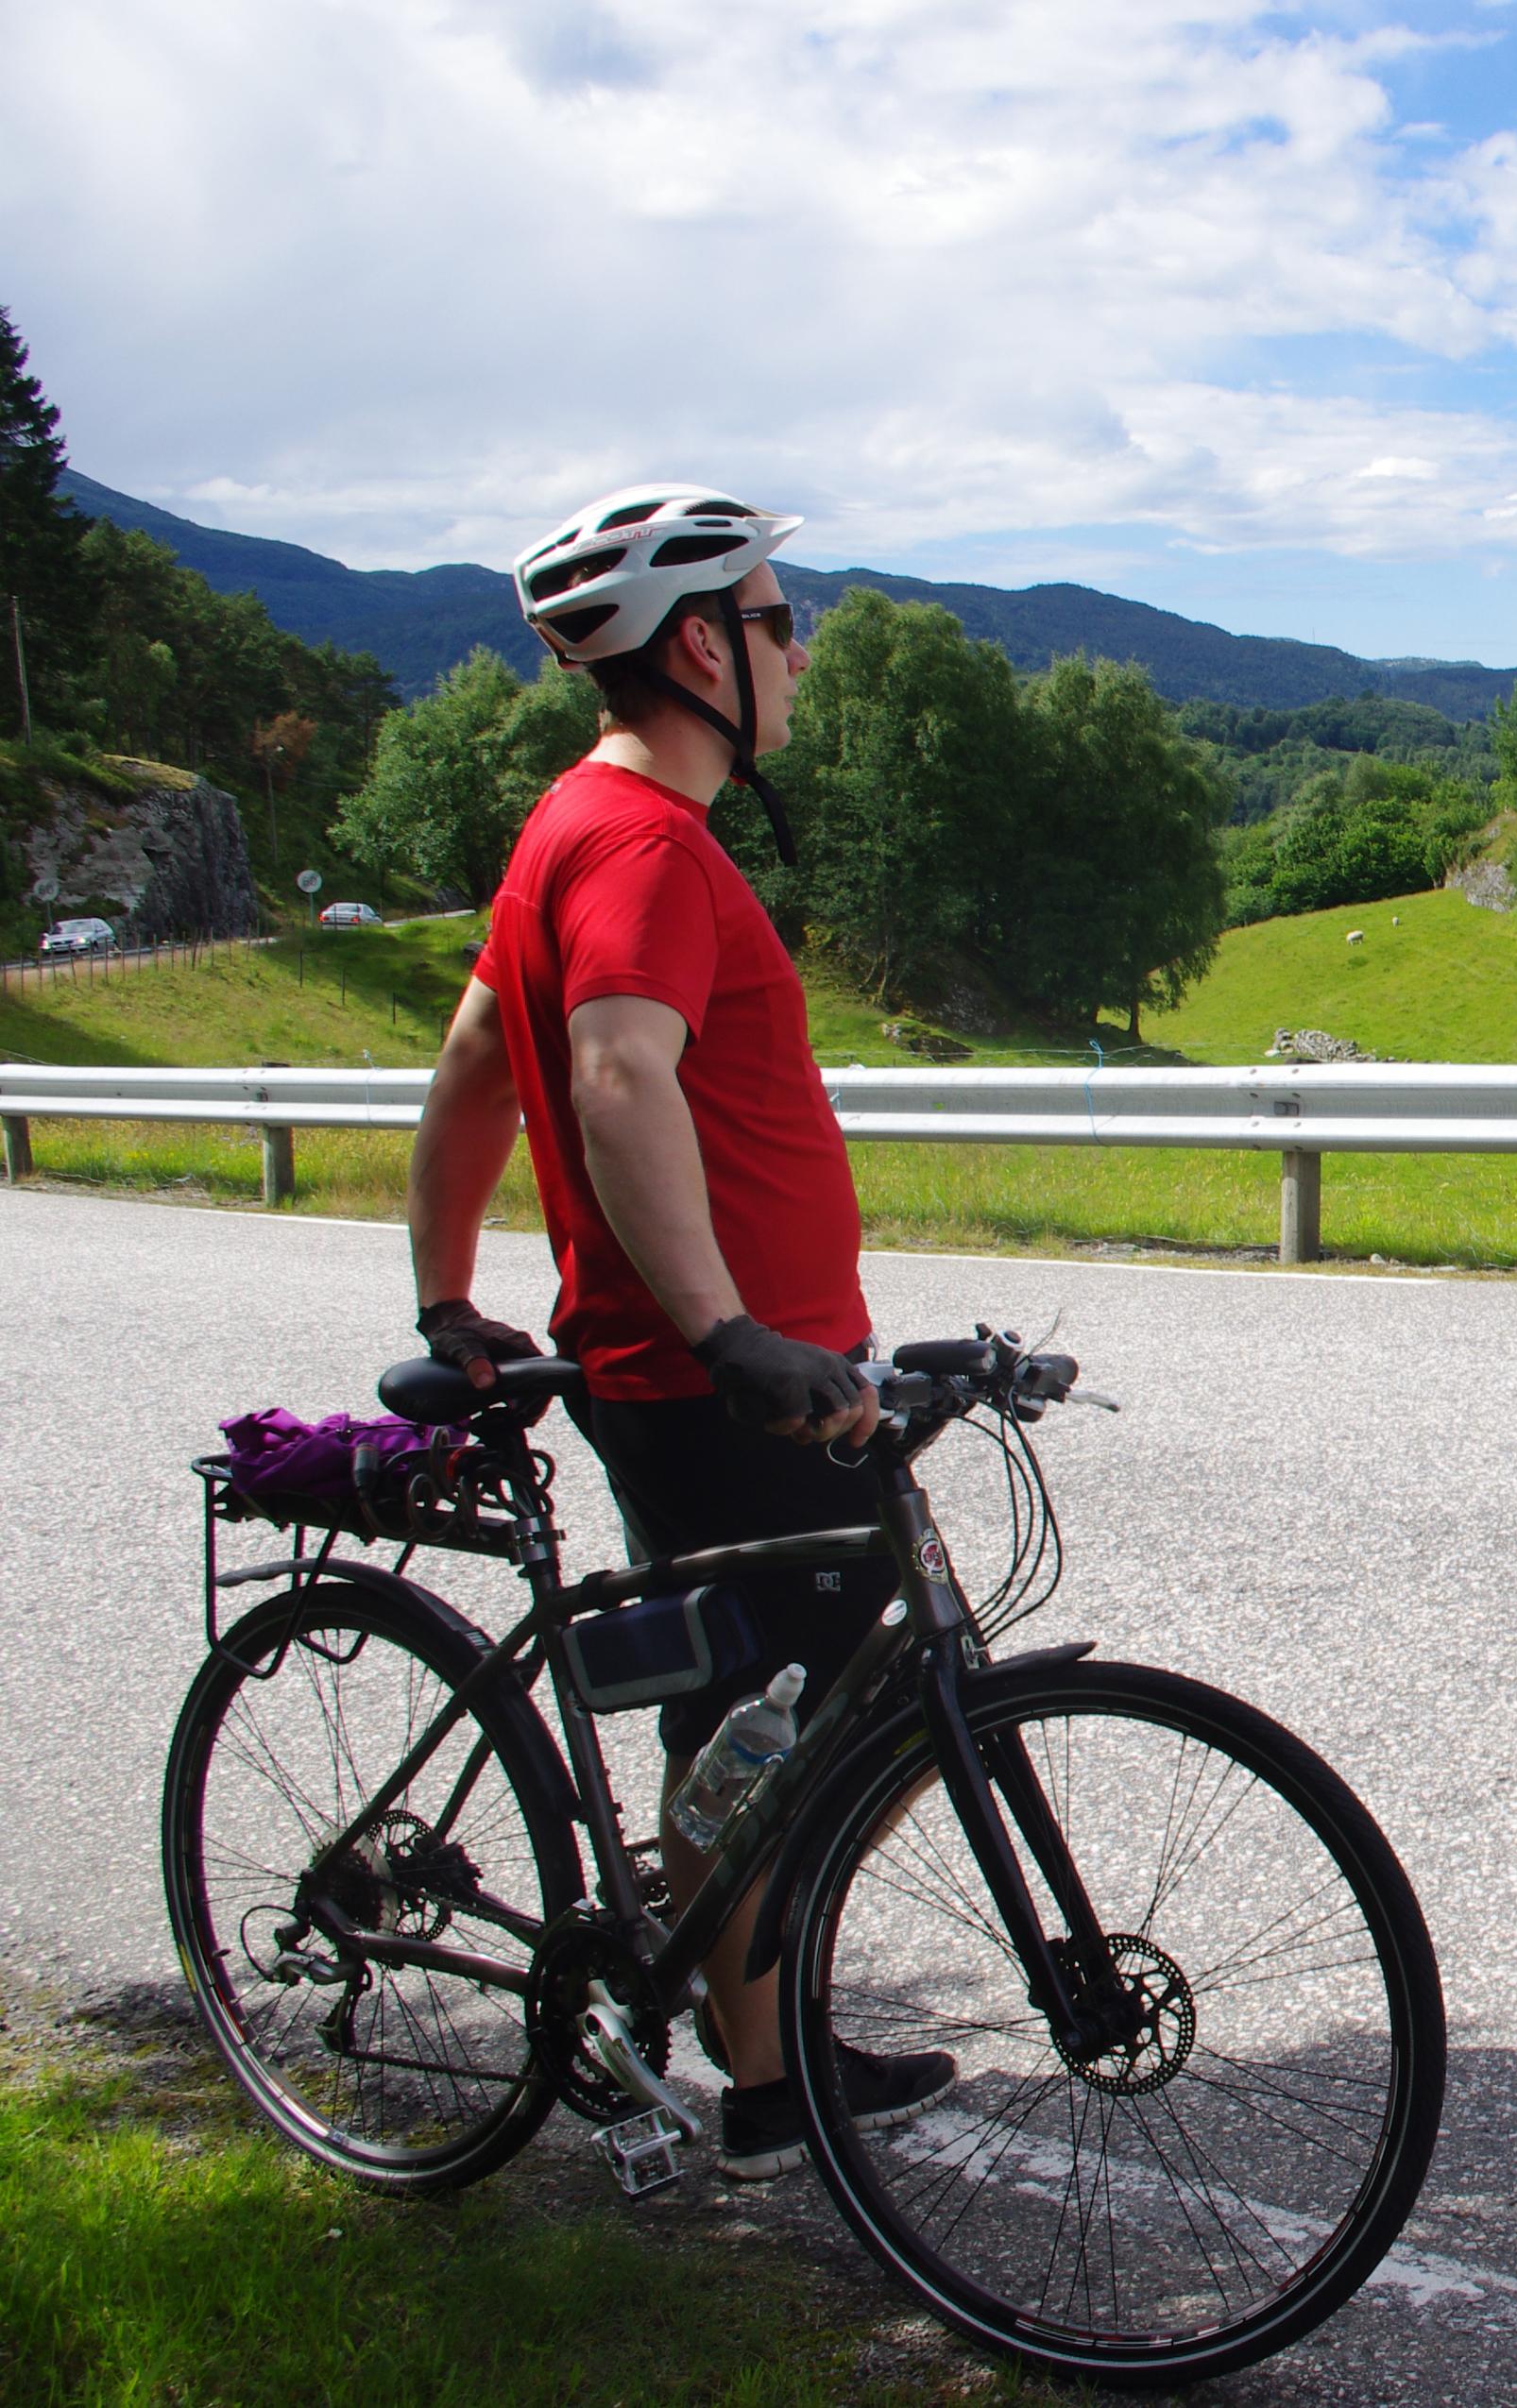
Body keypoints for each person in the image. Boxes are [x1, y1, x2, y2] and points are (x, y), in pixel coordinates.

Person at [401, 483, 952, 2179]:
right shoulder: (641, 843)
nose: (803, 648)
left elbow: (475, 1066)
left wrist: (441, 1287)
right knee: (816, 1707)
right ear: (704, 645)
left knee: (767, 1709)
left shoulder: (574, 825)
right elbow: (614, 1069)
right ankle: (762, 2060)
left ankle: (749, 2012)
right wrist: (726, 1331)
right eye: (784, 620)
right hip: (731, 1383)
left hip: (741, 1368)